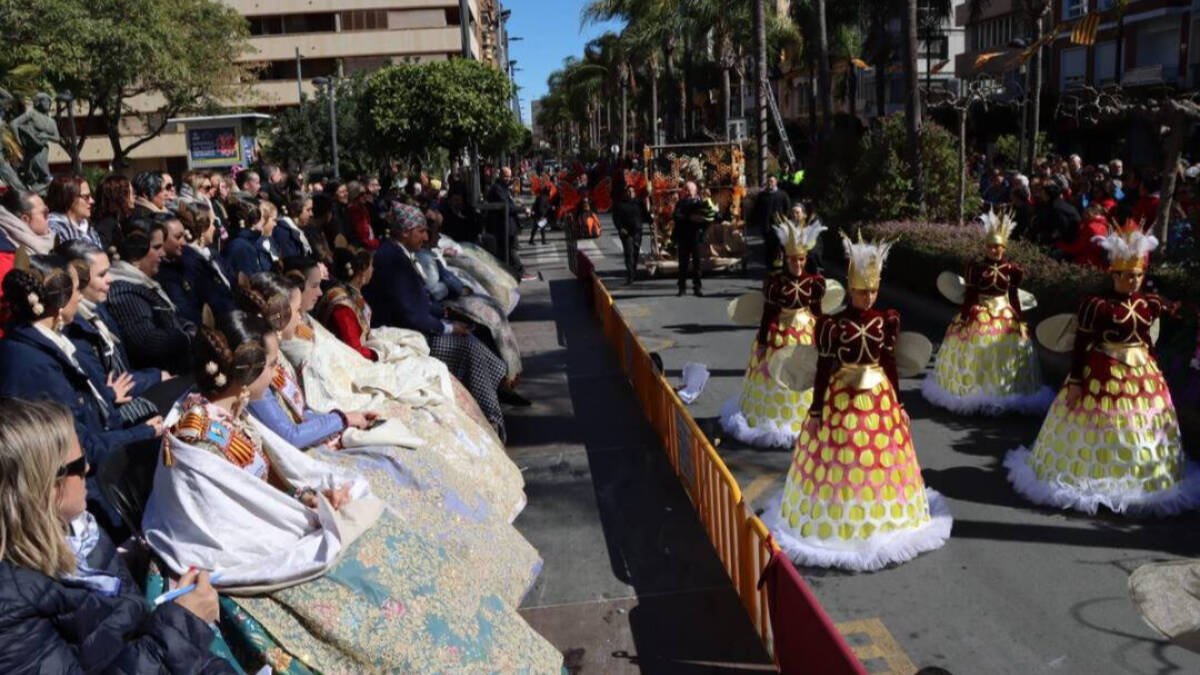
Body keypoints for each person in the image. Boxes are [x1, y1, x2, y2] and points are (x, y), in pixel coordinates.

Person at [140, 312, 562, 672]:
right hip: (254, 553)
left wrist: (313, 500)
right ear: (248, 377)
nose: (277, 372)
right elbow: (226, 530)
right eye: (271, 365)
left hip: (279, 528)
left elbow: (265, 484)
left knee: (397, 544)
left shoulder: (228, 412)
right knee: (381, 596)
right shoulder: (199, 442)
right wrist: (313, 513)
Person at [282, 256, 528, 521]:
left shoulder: (310, 316)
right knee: (457, 359)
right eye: (314, 285)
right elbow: (338, 363)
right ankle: (494, 412)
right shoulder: (329, 309)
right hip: (352, 382)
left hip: (370, 359)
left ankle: (498, 402)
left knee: (463, 348)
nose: (319, 291)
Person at [0, 397, 233, 674]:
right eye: (78, 464)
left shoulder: (80, 530)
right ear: (43, 487)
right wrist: (185, 622)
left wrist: (177, 612)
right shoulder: (9, 611)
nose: (88, 468)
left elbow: (132, 619)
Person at [766, 233, 951, 571]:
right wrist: (817, 409)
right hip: (842, 398)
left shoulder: (886, 321)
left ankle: (881, 512)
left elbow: (890, 365)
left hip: (879, 398)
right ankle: (839, 514)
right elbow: (823, 368)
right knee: (845, 455)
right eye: (862, 291)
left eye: (873, 291)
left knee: (880, 458)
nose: (868, 297)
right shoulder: (832, 326)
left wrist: (900, 405)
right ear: (850, 290)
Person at [1005, 230, 1200, 516]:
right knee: (1104, 428)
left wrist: (1155, 368)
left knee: (1139, 428)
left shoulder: (1150, 303)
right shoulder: (1095, 306)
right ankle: (1094, 478)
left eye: (1135, 275)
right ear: (1113, 274)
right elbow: (1082, 346)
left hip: (1142, 378)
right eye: (1124, 275)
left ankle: (1140, 478)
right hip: (1102, 374)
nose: (1130, 281)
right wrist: (1075, 382)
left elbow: (1149, 339)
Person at [0, 256, 163, 493]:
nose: (79, 296)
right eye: (76, 290)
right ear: (61, 301)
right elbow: (82, 446)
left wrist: (105, 395)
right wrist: (146, 431)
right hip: (82, 489)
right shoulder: (36, 366)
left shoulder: (38, 346)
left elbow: (78, 408)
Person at [362, 204, 512, 438]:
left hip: (415, 327)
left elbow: (420, 301)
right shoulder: (392, 260)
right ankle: (492, 418)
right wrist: (447, 326)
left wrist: (444, 314)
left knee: (472, 332)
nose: (425, 236)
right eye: (421, 231)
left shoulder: (399, 254)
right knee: (466, 347)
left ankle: (497, 390)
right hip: (405, 337)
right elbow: (410, 314)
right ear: (405, 232)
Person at [922, 210, 1053, 415]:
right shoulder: (976, 267)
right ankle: (972, 389)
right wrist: (967, 314)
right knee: (978, 343)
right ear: (986, 247)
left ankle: (1004, 391)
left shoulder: (1012, 270)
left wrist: (1019, 317)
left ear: (1004, 248)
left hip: (1004, 312)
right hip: (980, 310)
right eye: (991, 247)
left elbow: (1013, 295)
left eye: (999, 247)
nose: (995, 251)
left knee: (1008, 346)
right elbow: (971, 292)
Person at [719, 216, 826, 448]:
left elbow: (818, 313)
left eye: (801, 259)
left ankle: (809, 416)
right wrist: (764, 343)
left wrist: (823, 338)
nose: (797, 264)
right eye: (793, 260)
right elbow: (768, 314)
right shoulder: (775, 283)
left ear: (805, 259)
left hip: (806, 333)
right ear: (786, 259)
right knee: (776, 375)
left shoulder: (814, 283)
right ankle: (777, 417)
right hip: (780, 333)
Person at [58, 239, 182, 425]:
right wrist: (155, 377)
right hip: (114, 417)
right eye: (101, 275)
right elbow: (105, 387)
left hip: (132, 394)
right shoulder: (74, 328)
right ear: (79, 279)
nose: (110, 279)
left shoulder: (97, 311)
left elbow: (123, 369)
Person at [106, 226, 194, 375]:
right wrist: (187, 337)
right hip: (162, 379)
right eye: (157, 247)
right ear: (136, 253)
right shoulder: (123, 291)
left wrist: (188, 326)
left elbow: (170, 317)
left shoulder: (144, 284)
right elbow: (149, 342)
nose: (163, 253)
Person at [160, 207, 235, 325]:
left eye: (184, 236)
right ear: (161, 239)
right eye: (178, 237)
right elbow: (186, 312)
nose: (184, 242)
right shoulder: (166, 274)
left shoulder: (191, 258)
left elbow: (215, 291)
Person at [318, 248, 379, 361]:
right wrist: (377, 355)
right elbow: (353, 348)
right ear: (363, 270)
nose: (373, 269)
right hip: (348, 357)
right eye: (371, 266)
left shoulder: (353, 293)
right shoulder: (342, 305)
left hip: (364, 345)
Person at [485, 166, 530, 279]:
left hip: (507, 225)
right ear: (500, 176)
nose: (508, 179)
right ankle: (520, 271)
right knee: (511, 249)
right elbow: (506, 206)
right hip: (503, 225)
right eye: (506, 176)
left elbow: (508, 203)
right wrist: (521, 208)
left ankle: (514, 271)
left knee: (509, 249)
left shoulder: (503, 188)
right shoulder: (497, 188)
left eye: (509, 176)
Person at [672, 180, 714, 297]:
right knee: (683, 264)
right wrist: (689, 218)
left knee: (697, 264)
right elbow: (676, 216)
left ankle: (697, 287)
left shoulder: (701, 202)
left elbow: (709, 216)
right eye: (686, 189)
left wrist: (703, 221)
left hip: (696, 236)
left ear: (695, 191)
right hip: (683, 236)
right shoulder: (680, 203)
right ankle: (682, 288)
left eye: (691, 189)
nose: (689, 192)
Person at [223, 199, 276, 284]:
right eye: (258, 216)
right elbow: (249, 282)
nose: (263, 221)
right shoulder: (241, 247)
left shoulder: (252, 242)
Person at [46, 174, 100, 248]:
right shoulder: (54, 230)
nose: (92, 201)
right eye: (86, 197)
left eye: (91, 196)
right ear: (68, 198)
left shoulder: (88, 227)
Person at [611, 183, 650, 285]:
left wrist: (651, 220)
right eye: (628, 192)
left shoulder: (639, 203)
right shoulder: (620, 205)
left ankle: (634, 271)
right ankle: (630, 276)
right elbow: (616, 219)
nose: (630, 193)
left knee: (636, 252)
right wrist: (620, 228)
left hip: (637, 231)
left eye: (632, 191)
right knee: (629, 253)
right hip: (626, 232)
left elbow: (645, 214)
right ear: (625, 193)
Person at [751, 175, 792, 269]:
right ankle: (770, 267)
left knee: (779, 246)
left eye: (772, 181)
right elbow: (757, 209)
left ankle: (781, 266)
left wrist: (785, 220)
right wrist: (752, 221)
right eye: (768, 181)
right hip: (767, 227)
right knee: (769, 247)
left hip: (779, 226)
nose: (770, 183)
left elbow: (788, 208)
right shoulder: (762, 196)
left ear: (776, 182)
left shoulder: (782, 194)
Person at [93, 174, 135, 256]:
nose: (134, 197)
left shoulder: (120, 220)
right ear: (120, 196)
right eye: (131, 193)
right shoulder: (106, 225)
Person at [272, 193, 314, 259]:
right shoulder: (283, 232)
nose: (311, 214)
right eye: (308, 210)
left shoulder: (298, 230)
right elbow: (291, 261)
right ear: (297, 210)